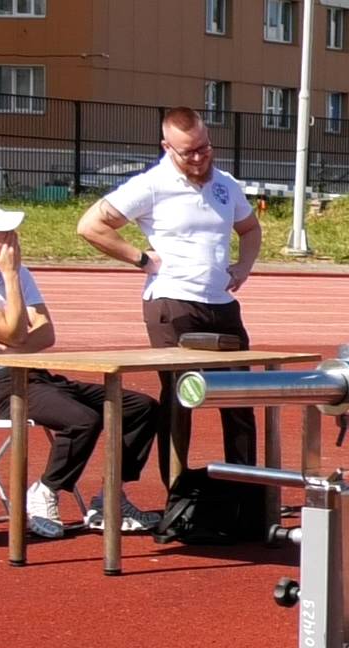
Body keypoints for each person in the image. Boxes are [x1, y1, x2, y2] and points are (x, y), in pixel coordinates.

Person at [0, 202, 161, 536]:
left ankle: (110, 499)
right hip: (7, 384)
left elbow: (46, 334)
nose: (15, 238)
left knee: (141, 407)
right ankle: (45, 490)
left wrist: (5, 346)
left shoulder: (20, 272)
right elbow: (18, 332)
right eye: (4, 233)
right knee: (84, 420)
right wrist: (10, 278)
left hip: (41, 375)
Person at [76, 106, 262, 466]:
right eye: (189, 152)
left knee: (240, 396)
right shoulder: (151, 185)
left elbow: (250, 228)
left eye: (204, 148)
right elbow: (90, 226)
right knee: (181, 396)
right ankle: (178, 488)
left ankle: (246, 484)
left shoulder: (225, 183)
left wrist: (243, 266)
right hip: (173, 303)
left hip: (221, 303)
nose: (199, 158)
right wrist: (140, 258)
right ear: (167, 147)